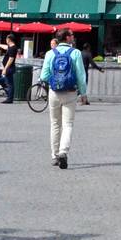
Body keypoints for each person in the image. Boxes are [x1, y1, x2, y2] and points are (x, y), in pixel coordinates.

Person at [40, 27, 88, 169]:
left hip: (54, 92)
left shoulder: (50, 53)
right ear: (67, 38)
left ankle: (54, 156)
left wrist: (55, 81)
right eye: (72, 35)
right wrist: (83, 93)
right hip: (70, 92)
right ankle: (63, 152)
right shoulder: (75, 53)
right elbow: (81, 75)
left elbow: (43, 75)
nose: (73, 37)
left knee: (55, 124)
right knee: (68, 124)